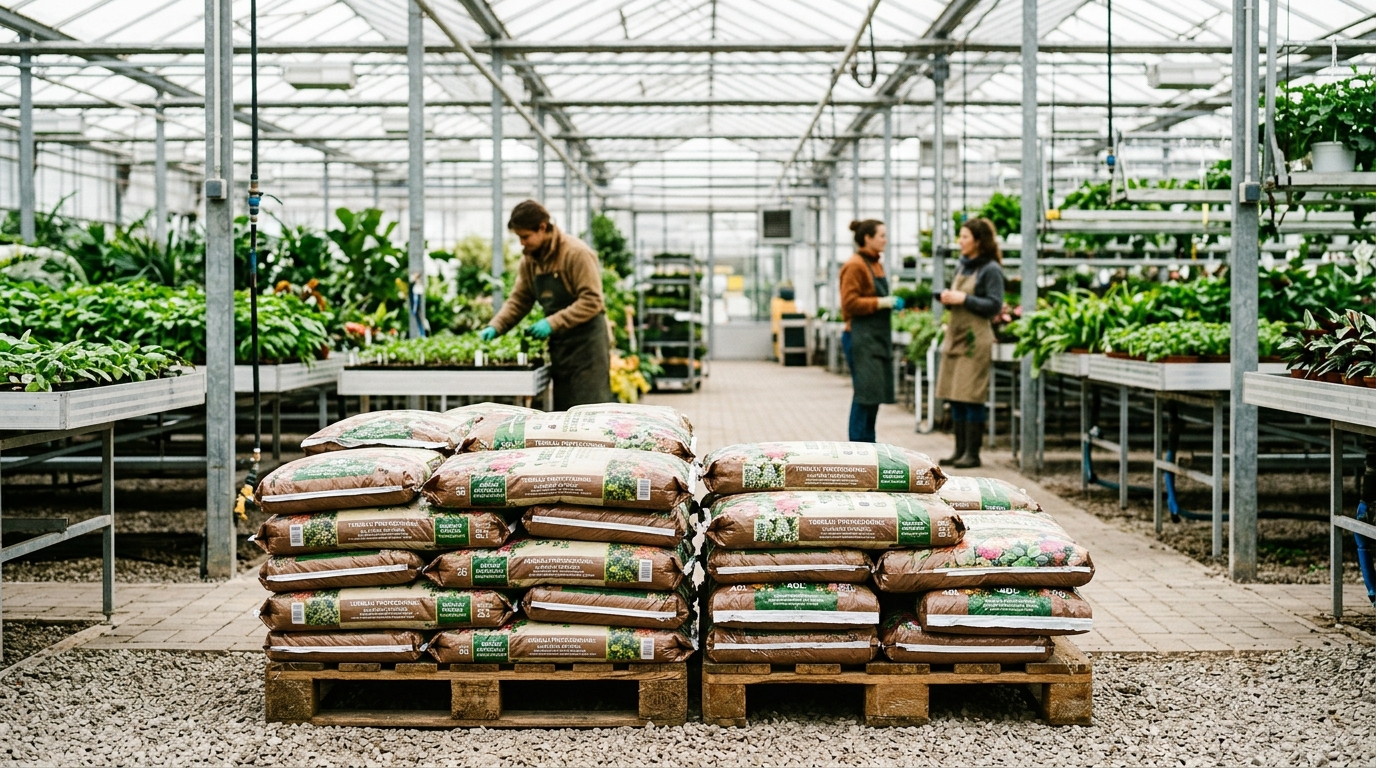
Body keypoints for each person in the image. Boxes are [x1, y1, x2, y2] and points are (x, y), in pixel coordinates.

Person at [481, 200, 614, 410]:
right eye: (519, 238)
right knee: (565, 410)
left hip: (587, 345)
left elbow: (592, 301)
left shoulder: (576, 253)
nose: (522, 243)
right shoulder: (531, 261)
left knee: (590, 408)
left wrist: (550, 323)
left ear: (542, 227)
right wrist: (495, 326)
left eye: (525, 237)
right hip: (561, 345)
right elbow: (520, 299)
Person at [934, 216, 1007, 468]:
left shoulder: (991, 269)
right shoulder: (962, 266)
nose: (960, 241)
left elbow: (994, 305)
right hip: (956, 335)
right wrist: (947, 298)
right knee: (954, 394)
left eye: (965, 237)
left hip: (976, 340)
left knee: (971, 395)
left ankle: (973, 453)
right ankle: (959, 450)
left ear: (978, 241)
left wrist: (963, 299)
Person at [839, 219, 904, 442]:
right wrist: (881, 303)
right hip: (859, 337)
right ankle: (858, 449)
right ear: (868, 238)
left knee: (873, 394)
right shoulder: (855, 265)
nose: (885, 240)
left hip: (875, 337)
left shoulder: (876, 263)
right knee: (864, 394)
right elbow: (849, 304)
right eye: (882, 235)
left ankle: (869, 447)